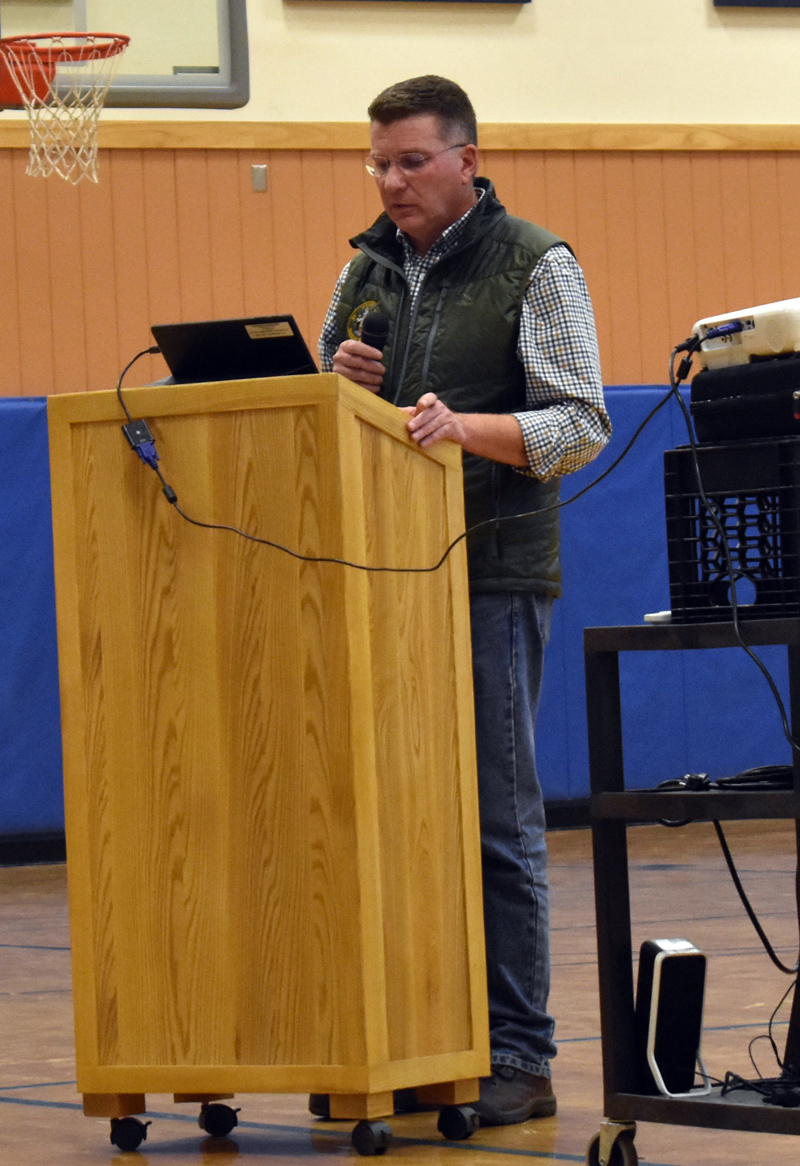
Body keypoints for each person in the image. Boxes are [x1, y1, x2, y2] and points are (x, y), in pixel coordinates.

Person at [317, 75, 611, 1127]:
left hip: (489, 568)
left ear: (465, 160)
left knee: (494, 819)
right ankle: (423, 1040)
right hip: (375, 579)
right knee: (391, 820)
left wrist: (464, 426)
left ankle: (520, 1056)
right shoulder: (366, 270)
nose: (388, 181)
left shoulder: (537, 262)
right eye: (377, 163)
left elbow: (579, 423)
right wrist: (341, 382)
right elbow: (328, 415)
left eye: (408, 161)